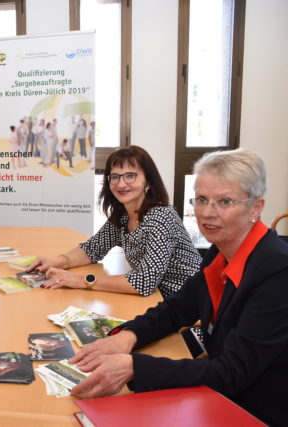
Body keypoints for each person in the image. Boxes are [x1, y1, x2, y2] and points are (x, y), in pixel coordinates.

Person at [69, 149, 288, 426]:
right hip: (223, 389)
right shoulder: (220, 252)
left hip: (255, 408)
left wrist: (135, 367)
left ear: (256, 207)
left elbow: (233, 373)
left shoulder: (277, 271)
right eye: (201, 200)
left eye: (225, 202)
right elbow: (176, 309)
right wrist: (128, 336)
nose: (208, 213)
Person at [29, 145, 201, 297]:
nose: (121, 184)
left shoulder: (161, 216)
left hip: (190, 306)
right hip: (160, 301)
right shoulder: (123, 216)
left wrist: (82, 280)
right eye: (115, 177)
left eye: (130, 176)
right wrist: (57, 262)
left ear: (147, 181)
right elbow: (92, 249)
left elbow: (144, 282)